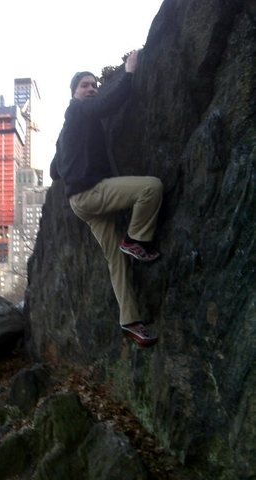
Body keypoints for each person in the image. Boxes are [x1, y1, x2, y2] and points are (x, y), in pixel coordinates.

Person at [50, 50, 163, 347]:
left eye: (94, 85)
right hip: (91, 194)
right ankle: (136, 239)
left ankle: (131, 322)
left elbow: (52, 171)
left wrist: (70, 158)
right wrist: (129, 71)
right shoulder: (77, 111)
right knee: (150, 187)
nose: (92, 88)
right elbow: (108, 104)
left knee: (116, 261)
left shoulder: (66, 131)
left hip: (81, 204)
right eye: (85, 85)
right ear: (74, 94)